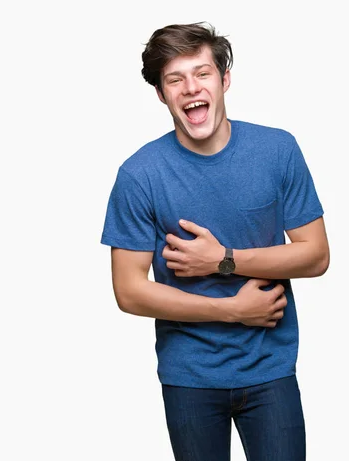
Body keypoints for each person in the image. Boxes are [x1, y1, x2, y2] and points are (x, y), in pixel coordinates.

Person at [100, 21, 329, 461]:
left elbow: (316, 255)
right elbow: (128, 291)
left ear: (224, 80)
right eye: (175, 79)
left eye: (202, 73)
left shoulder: (278, 150)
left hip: (271, 368)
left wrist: (223, 260)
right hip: (189, 375)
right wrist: (232, 310)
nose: (190, 88)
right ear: (161, 94)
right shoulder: (139, 175)